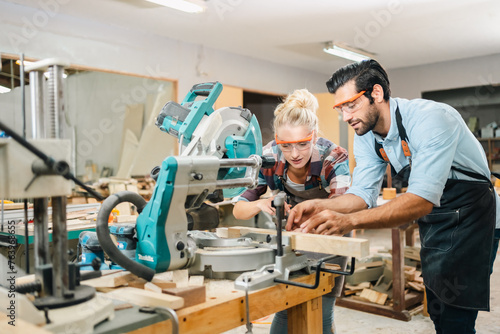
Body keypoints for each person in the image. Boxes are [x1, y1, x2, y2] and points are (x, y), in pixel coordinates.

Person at [286, 59, 500, 334]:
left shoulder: (431, 118)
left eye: (351, 105)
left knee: (455, 315)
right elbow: (362, 194)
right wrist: (318, 205)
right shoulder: (366, 134)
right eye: (340, 109)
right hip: (439, 215)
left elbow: (420, 200)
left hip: (474, 215)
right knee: (438, 303)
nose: (346, 117)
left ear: (376, 93)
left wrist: (348, 222)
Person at [233, 88, 351, 333]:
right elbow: (238, 210)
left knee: (322, 310)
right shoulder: (268, 156)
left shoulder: (333, 157)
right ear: (277, 139)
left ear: (314, 136)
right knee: (285, 308)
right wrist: (259, 203)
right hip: (291, 238)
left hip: (330, 234)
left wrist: (313, 212)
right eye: (286, 146)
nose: (294, 154)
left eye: (302, 144)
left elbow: (345, 209)